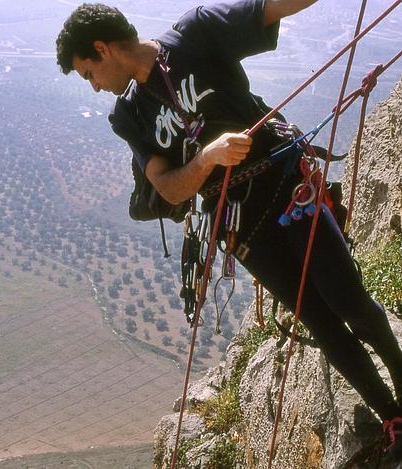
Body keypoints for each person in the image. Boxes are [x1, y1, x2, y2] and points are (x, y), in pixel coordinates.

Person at [56, 0, 402, 456]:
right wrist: (207, 157)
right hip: (242, 223)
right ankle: (392, 417)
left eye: (89, 74)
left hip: (286, 185)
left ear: (101, 49)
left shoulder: (195, 35)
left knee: (347, 300)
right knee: (319, 318)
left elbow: (270, 7)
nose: (96, 87)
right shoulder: (131, 116)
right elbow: (167, 187)